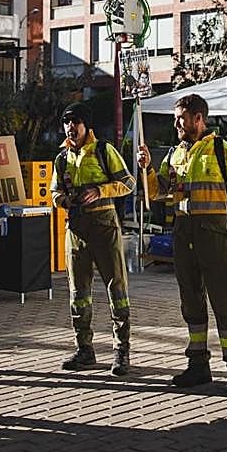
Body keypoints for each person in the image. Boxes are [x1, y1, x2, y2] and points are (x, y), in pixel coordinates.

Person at [137, 94, 227, 396]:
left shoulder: (221, 149)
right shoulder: (175, 154)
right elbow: (158, 193)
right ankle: (198, 366)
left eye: (182, 117)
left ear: (199, 118)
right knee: (191, 302)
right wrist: (148, 168)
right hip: (183, 234)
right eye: (177, 117)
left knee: (224, 303)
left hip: (214, 234)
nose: (176, 122)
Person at [53, 102, 137, 375]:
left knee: (117, 290)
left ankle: (121, 352)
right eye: (67, 123)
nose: (70, 127)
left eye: (75, 122)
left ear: (86, 126)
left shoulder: (104, 151)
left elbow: (128, 183)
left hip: (104, 227)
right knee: (78, 293)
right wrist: (64, 200)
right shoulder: (62, 157)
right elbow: (54, 193)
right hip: (76, 229)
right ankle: (84, 350)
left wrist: (100, 191)